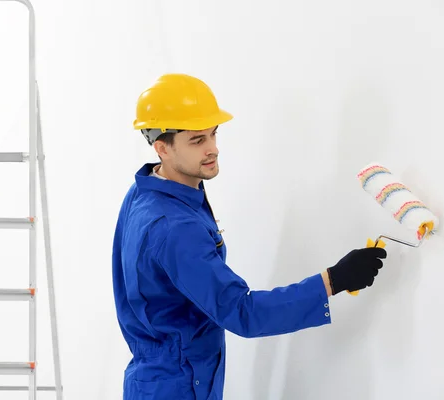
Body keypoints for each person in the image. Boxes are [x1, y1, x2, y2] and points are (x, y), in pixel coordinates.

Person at [112, 73, 388, 399]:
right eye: (197, 140)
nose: (213, 149)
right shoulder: (175, 228)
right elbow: (243, 313)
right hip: (179, 385)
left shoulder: (147, 191)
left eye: (213, 134)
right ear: (163, 148)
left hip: (162, 378)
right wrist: (334, 279)